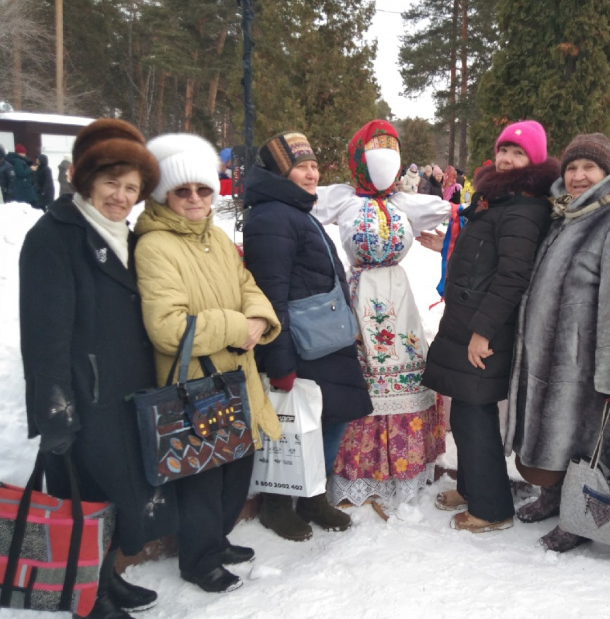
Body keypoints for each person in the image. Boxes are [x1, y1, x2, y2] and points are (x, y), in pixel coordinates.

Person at [19, 119, 179, 619]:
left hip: (126, 390)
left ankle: (105, 576)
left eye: (132, 188)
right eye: (112, 183)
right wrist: (55, 410)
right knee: (81, 495)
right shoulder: (54, 236)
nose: (122, 196)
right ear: (85, 179)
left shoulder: (126, 236)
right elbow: (44, 335)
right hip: (84, 396)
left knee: (115, 490)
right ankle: (84, 597)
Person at [134, 133, 282, 594]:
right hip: (197, 382)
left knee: (237, 461)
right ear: (164, 195)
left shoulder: (216, 237)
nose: (195, 198)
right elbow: (168, 327)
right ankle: (199, 559)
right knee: (203, 470)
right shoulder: (154, 247)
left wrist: (258, 315)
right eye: (183, 191)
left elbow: (247, 283)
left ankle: (215, 540)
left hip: (235, 376)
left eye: (202, 189)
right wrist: (240, 327)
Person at [505, 133, 610, 551]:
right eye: (571, 168)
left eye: (588, 168)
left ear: (607, 173)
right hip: (547, 357)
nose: (578, 176)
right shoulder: (565, 216)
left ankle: (579, 518)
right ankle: (552, 497)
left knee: (586, 444)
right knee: (555, 444)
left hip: (585, 362)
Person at [424, 120, 559, 533]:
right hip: (468, 322)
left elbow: (512, 278)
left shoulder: (524, 208)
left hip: (486, 330)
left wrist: (482, 332)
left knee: (476, 413)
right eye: (504, 150)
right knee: (464, 412)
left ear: (534, 161)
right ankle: (472, 487)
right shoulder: (498, 201)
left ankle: (492, 508)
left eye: (519, 153)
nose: (507, 159)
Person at [312, 120, 453, 510]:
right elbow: (299, 200)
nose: (385, 170)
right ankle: (359, 466)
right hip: (359, 297)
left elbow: (456, 213)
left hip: (399, 297)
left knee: (404, 375)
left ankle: (405, 465)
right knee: (364, 376)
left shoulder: (404, 202)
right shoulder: (343, 199)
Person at [242, 131, 373, 539]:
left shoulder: (294, 211)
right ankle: (277, 503)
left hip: (324, 340)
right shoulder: (271, 217)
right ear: (281, 172)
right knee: (293, 425)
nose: (312, 173)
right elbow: (270, 294)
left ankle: (314, 496)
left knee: (331, 417)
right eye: (301, 166)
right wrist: (280, 360)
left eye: (314, 165)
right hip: (301, 344)